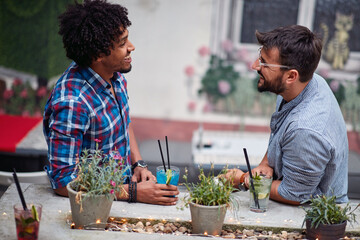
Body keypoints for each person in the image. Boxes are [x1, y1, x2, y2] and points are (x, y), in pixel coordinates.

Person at [43, 0, 179, 205]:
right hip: (92, 209)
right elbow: (64, 184)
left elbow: (123, 122)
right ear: (97, 55)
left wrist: (138, 165)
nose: (132, 47)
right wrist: (132, 192)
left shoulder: (114, 76)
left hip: (120, 192)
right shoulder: (73, 102)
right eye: (122, 44)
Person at [223, 25, 348, 205]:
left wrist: (244, 179)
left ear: (291, 76)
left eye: (264, 63)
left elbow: (293, 194)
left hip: (314, 219)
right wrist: (266, 163)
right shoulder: (303, 84)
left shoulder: (305, 130)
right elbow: (280, 131)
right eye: (260, 56)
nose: (254, 65)